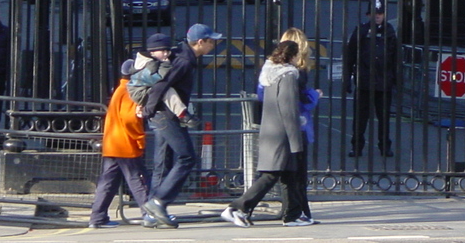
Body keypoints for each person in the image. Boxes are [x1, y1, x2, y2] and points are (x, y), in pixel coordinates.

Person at [141, 23, 222, 228]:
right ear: (200, 42)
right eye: (211, 41)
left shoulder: (182, 56)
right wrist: (149, 109)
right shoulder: (184, 61)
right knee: (187, 157)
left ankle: (152, 213)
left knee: (163, 161)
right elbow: (161, 85)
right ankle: (159, 202)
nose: (214, 45)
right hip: (166, 115)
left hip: (162, 114)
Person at [221, 40, 306, 228]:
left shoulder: (269, 73)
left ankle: (293, 214)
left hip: (270, 129)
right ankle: (238, 208)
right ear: (292, 55)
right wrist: (295, 142)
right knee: (271, 175)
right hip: (282, 133)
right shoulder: (289, 75)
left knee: (288, 174)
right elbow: (289, 109)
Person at [89, 58, 157, 229]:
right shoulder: (129, 91)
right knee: (139, 180)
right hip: (125, 144)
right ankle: (149, 214)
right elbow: (130, 119)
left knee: (108, 181)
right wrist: (140, 139)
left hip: (113, 142)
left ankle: (97, 217)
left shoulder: (120, 89)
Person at [343, 0, 399, 157]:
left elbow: (395, 58)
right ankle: (357, 146)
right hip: (364, 81)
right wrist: (347, 79)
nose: (377, 16)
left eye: (380, 13)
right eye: (374, 13)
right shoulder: (361, 31)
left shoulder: (390, 32)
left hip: (383, 82)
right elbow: (350, 56)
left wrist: (396, 80)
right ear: (368, 15)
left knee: (384, 119)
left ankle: (385, 146)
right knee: (360, 119)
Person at [278, 27, 320, 225]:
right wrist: (315, 95)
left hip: (284, 125)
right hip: (298, 126)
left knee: (289, 172)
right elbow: (302, 101)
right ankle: (298, 212)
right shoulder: (297, 73)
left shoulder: (278, 71)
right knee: (297, 173)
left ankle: (296, 210)